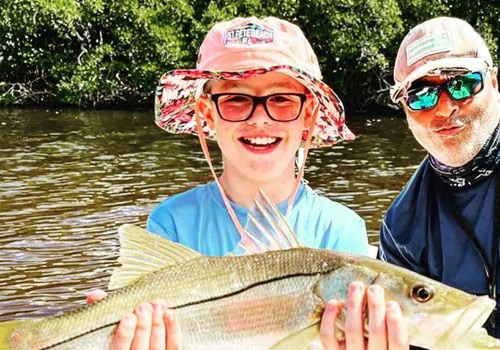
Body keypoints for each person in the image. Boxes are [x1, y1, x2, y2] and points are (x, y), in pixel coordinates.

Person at [89, 16, 408, 350]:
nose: (260, 118)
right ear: (207, 114)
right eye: (235, 99)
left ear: (309, 115)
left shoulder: (341, 231)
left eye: (282, 99)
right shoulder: (171, 222)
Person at [379, 16, 500, 340]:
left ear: (495, 82)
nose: (445, 107)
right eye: (421, 95)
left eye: (462, 83)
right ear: (404, 109)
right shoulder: (400, 229)